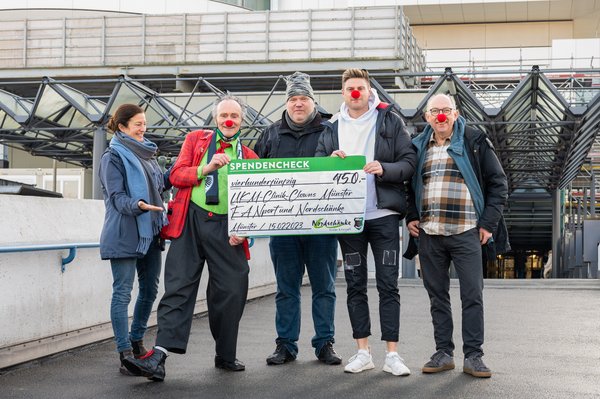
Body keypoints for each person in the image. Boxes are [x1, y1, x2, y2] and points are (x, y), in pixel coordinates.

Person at [122, 95, 258, 381]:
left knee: (232, 290)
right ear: (215, 119)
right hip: (191, 221)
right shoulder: (196, 140)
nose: (228, 120)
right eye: (223, 116)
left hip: (228, 229)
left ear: (241, 121)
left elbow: (257, 201)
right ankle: (158, 357)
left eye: (234, 115)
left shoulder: (250, 156)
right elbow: (174, 175)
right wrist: (204, 169)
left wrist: (245, 227)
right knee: (178, 287)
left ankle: (226, 353)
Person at [316, 68, 417, 376]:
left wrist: (384, 168)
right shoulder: (331, 127)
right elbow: (317, 168)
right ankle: (363, 351)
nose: (355, 93)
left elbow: (409, 162)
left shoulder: (388, 120)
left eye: (360, 87)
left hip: (383, 216)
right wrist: (329, 162)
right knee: (355, 285)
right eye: (350, 88)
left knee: (388, 285)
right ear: (343, 93)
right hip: (350, 221)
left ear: (369, 91)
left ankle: (392, 354)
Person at [404, 93, 508, 378]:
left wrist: (487, 224)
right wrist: (412, 216)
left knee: (472, 295)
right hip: (430, 233)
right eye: (434, 111)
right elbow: (407, 185)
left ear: (456, 113)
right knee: (437, 296)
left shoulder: (474, 141)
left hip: (467, 233)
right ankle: (443, 353)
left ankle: (474, 355)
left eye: (446, 110)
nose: (440, 115)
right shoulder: (416, 146)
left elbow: (499, 183)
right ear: (426, 116)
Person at [254, 72, 341, 366]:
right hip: (283, 228)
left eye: (303, 98)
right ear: (287, 103)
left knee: (324, 287)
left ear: (313, 101)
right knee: (286, 289)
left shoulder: (331, 131)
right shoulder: (270, 133)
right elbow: (253, 175)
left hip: (322, 226)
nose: (298, 104)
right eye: (293, 99)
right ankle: (286, 344)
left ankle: (324, 342)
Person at [99, 103, 169, 375]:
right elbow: (116, 198)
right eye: (138, 124)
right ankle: (124, 351)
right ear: (122, 127)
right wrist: (139, 205)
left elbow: (160, 184)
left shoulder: (147, 153)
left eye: (144, 123)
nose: (144, 127)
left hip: (150, 230)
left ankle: (137, 341)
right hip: (124, 232)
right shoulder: (112, 156)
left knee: (150, 289)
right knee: (123, 292)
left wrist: (181, 171)